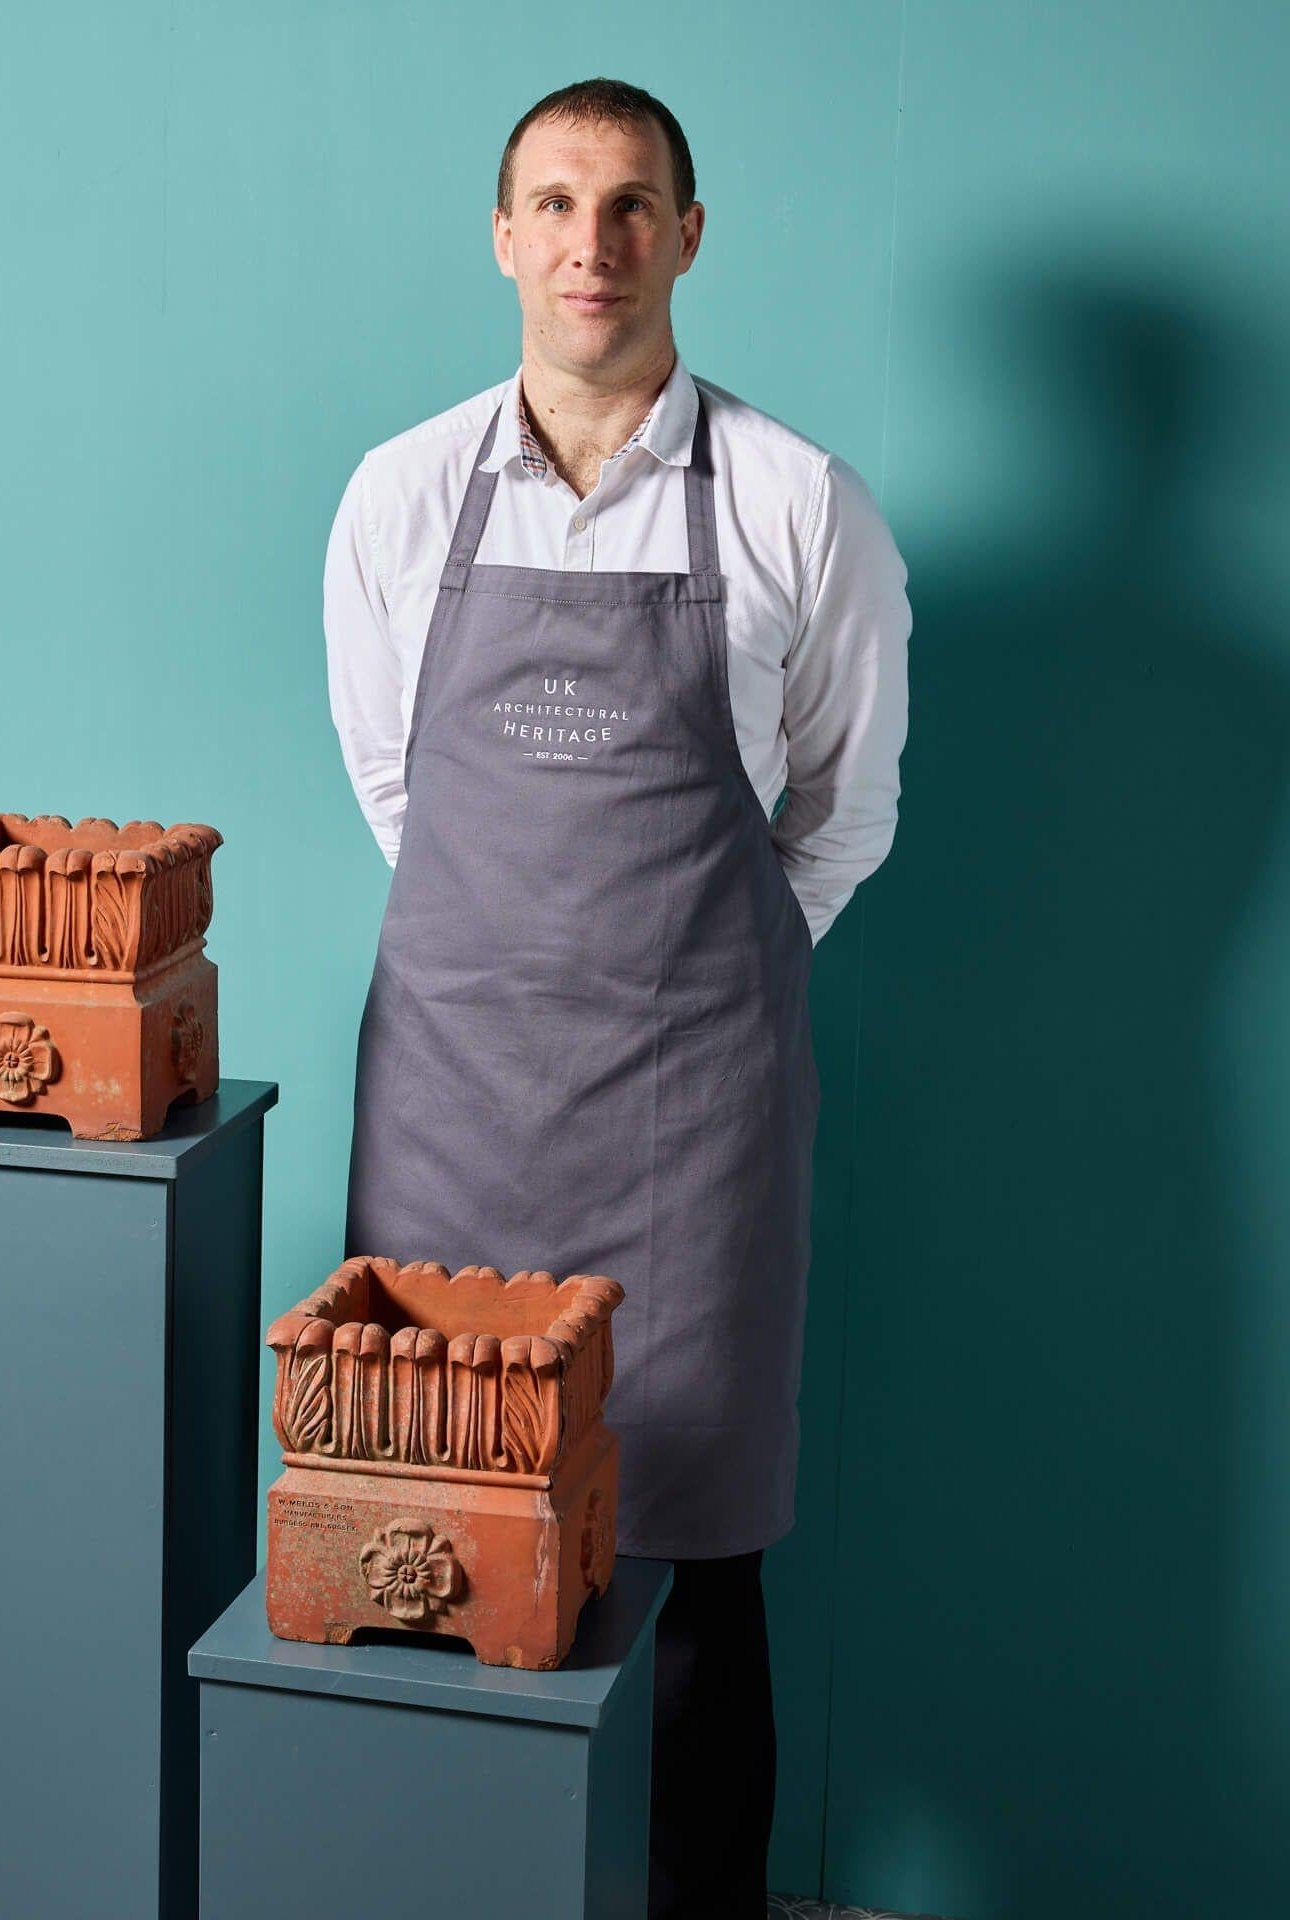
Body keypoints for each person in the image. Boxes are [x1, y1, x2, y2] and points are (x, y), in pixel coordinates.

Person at [323, 77, 911, 1918]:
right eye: (557, 204)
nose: (594, 244)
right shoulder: (402, 495)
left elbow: (846, 811)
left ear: (688, 236)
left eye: (634, 204)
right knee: (433, 1516)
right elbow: (394, 792)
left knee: (692, 1547)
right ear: (505, 237)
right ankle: (440, 1881)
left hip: (697, 1114)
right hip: (452, 1098)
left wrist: (708, 973)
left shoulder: (801, 504)